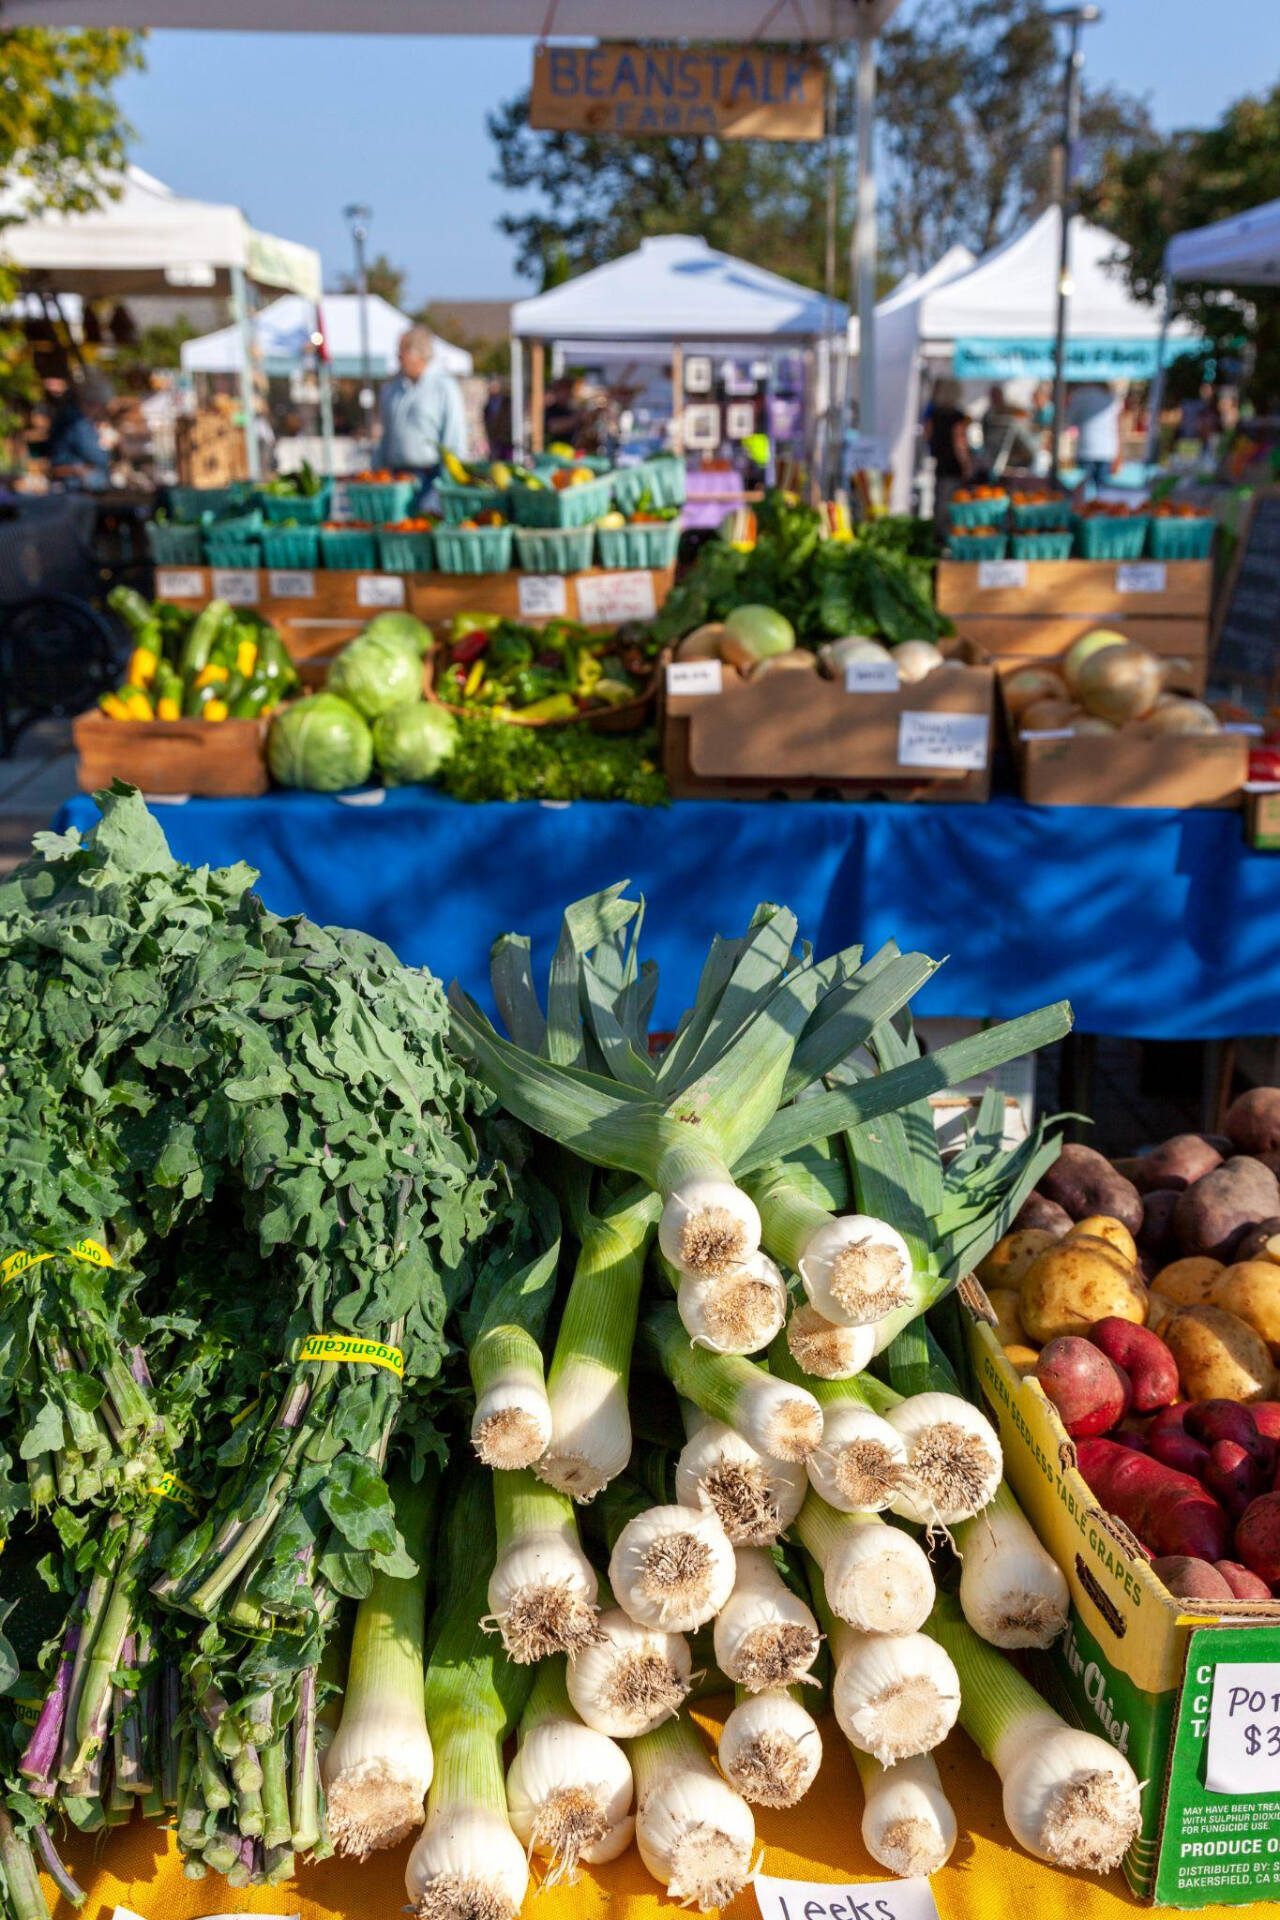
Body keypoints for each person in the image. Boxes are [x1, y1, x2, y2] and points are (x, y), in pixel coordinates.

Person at [378, 327, 467, 498]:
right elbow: (386, 435)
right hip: (396, 477)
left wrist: (447, 481)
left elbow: (454, 437)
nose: (398, 358)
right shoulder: (394, 388)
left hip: (430, 478)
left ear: (418, 355)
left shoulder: (443, 386)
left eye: (402, 352)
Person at [46, 375, 112, 485]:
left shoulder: (71, 416)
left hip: (68, 474)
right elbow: (98, 457)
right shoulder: (78, 422)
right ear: (95, 403)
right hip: (73, 481)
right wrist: (109, 447)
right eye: (103, 406)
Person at [926, 377, 972, 531]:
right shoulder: (958, 416)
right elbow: (959, 442)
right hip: (953, 463)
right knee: (954, 501)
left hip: (940, 461)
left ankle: (938, 532)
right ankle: (947, 533)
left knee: (939, 499)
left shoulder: (933, 414)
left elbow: (928, 435)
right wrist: (966, 464)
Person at [1067, 380, 1121, 490]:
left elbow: (1070, 420)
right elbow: (1117, 425)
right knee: (1102, 490)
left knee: (1085, 490)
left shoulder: (1080, 396)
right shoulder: (1111, 398)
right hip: (1107, 449)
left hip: (1086, 449)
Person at [543, 374, 586, 450]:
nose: (569, 393)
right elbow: (554, 427)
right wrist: (577, 418)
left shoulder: (571, 409)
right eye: (566, 389)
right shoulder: (550, 409)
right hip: (554, 453)